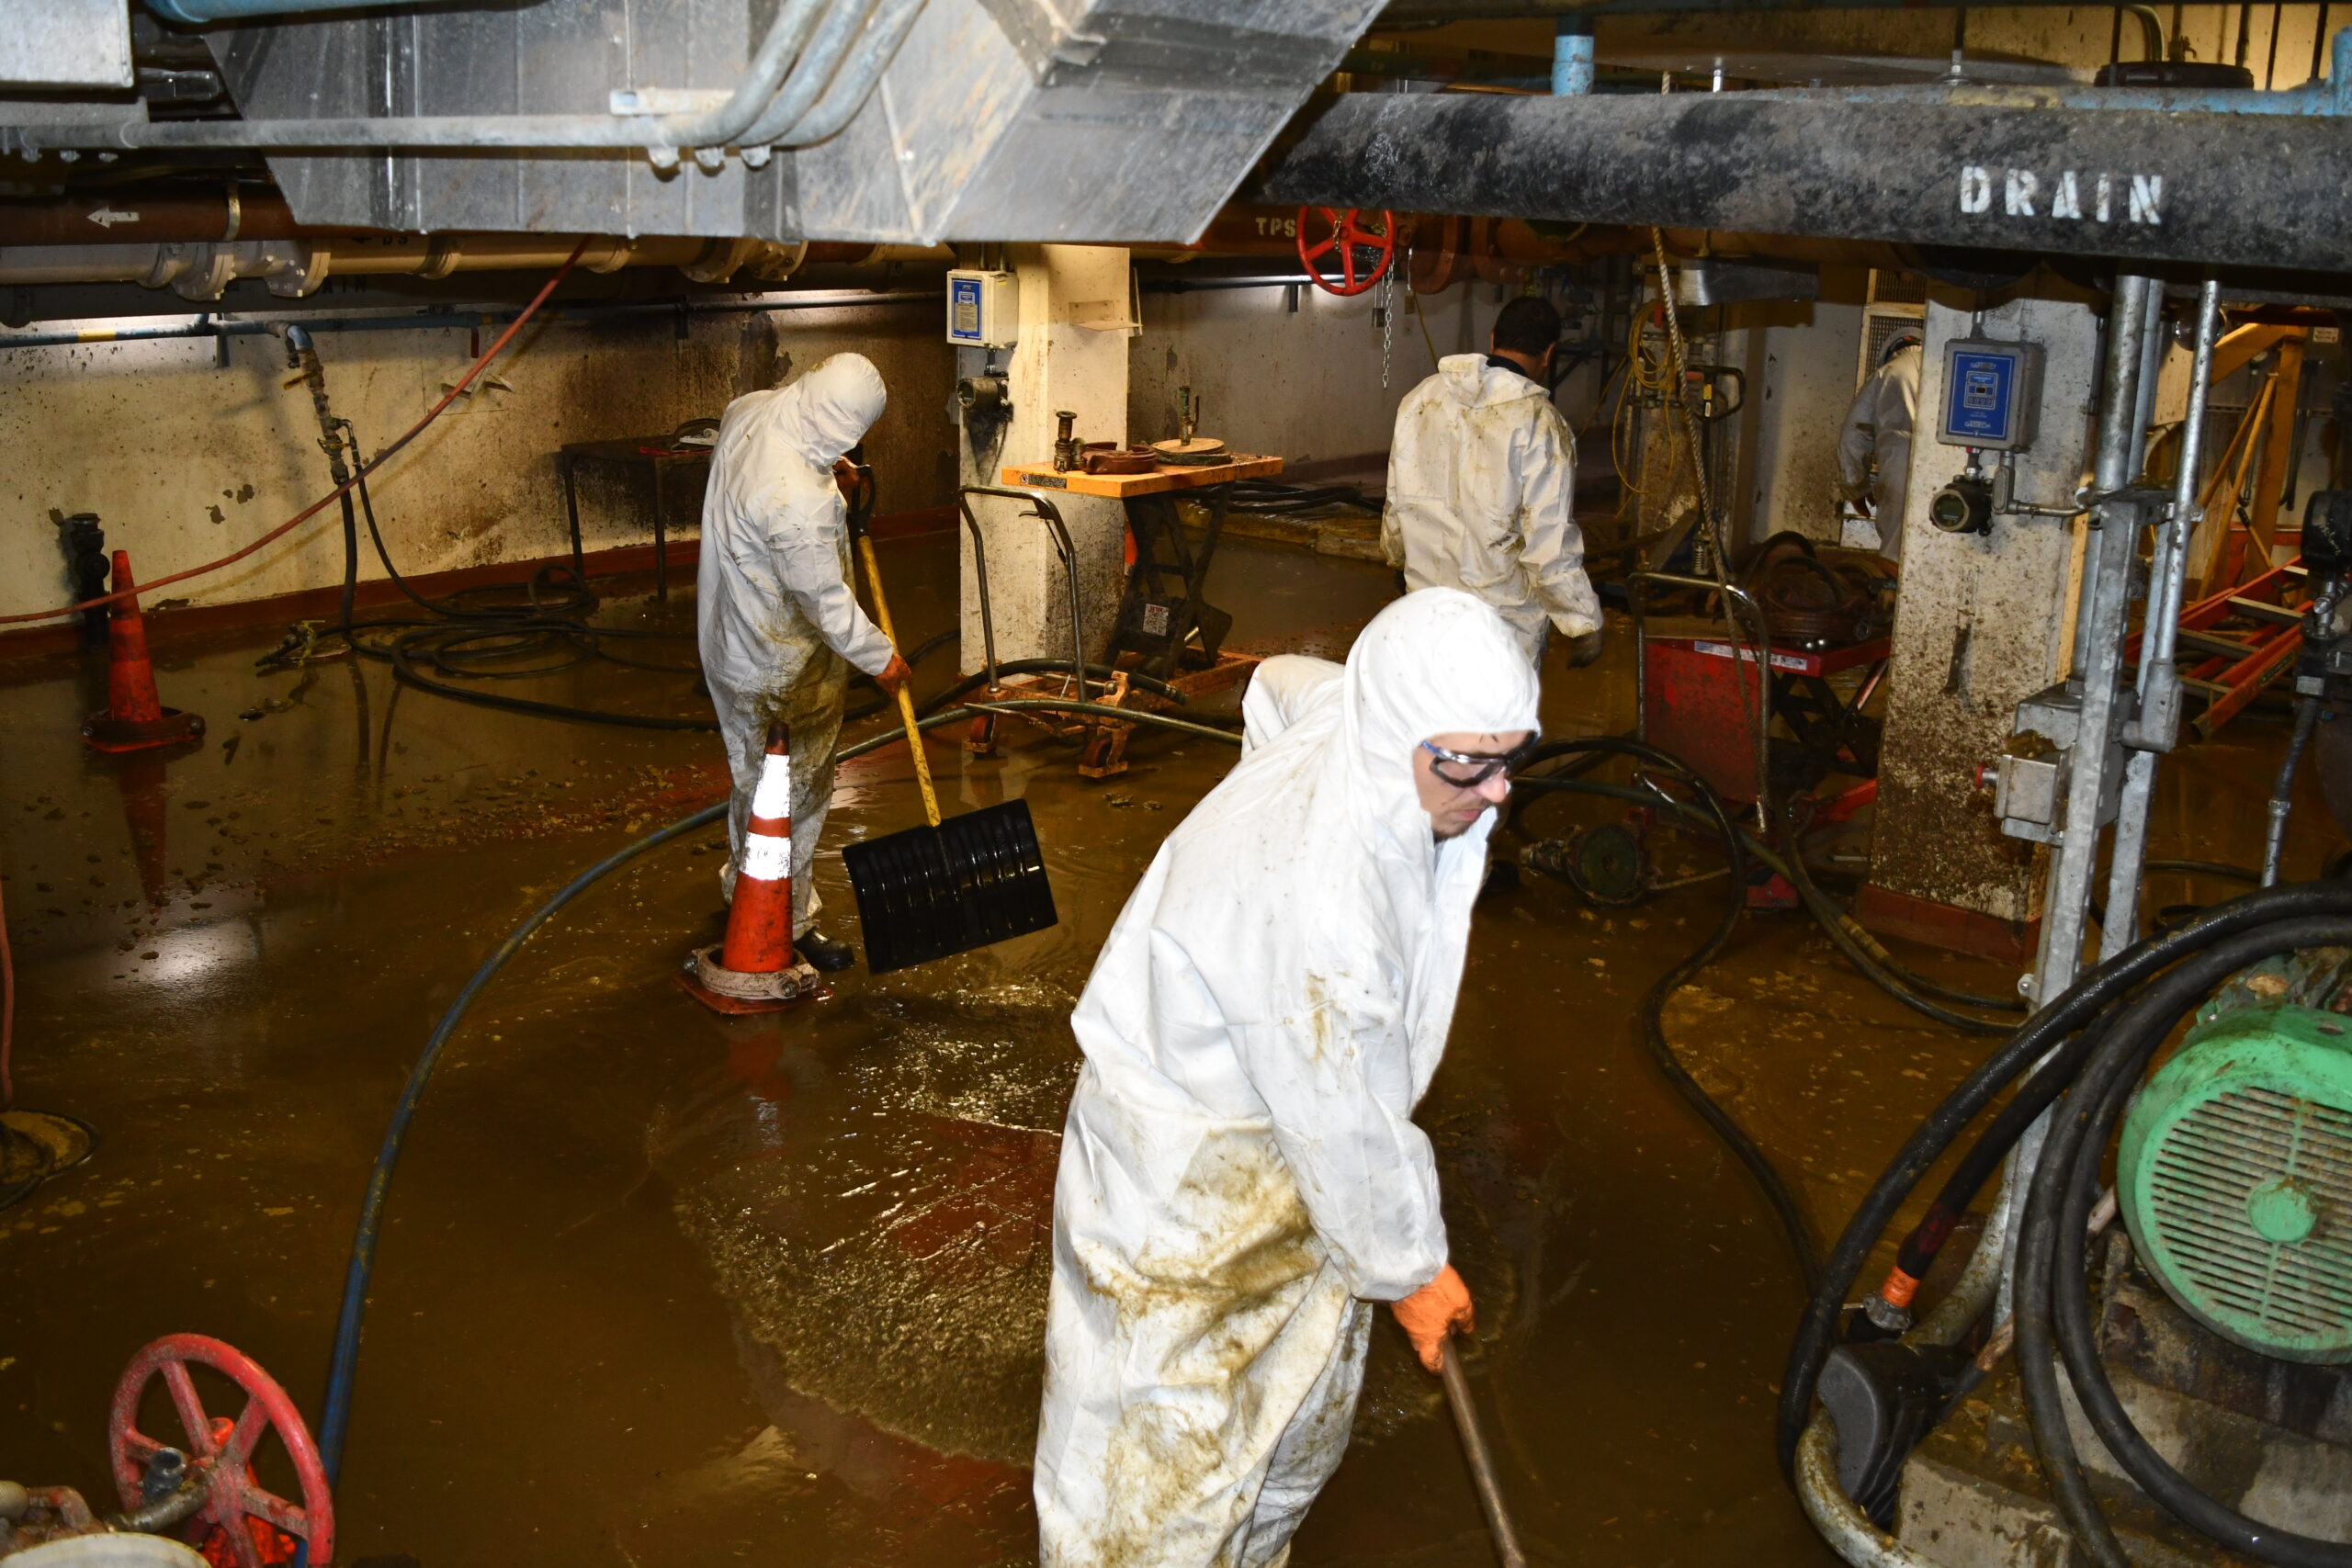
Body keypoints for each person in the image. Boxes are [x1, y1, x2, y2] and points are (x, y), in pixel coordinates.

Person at [1034, 588, 1539, 1568]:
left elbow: (1275, 690)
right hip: (1187, 1183)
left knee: (1287, 1430)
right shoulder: (1321, 912)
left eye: (1509, 759)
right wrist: (1411, 1271)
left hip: (1290, 1154)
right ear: (1402, 735)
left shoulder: (1354, 721)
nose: (1495, 793)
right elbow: (1342, 1119)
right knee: (1155, 1479)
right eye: (1468, 765)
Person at [697, 352, 912, 973]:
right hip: (780, 670)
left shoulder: (752, 410)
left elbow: (785, 495)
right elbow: (824, 602)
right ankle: (782, 921)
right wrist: (883, 660)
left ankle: (742, 884)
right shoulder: (799, 501)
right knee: (795, 794)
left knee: (752, 786)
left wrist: (832, 477)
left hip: (729, 638)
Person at [1383, 294, 1602, 671]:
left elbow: (1396, 499)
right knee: (1494, 727)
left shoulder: (1421, 398)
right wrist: (1581, 620)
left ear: (1492, 339)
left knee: (1427, 717)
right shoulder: (1538, 421)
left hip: (1426, 610)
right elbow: (1547, 539)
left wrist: (1396, 556)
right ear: (1548, 353)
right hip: (1500, 624)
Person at [1838, 333, 1923, 563]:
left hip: (1899, 465)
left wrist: (1856, 487)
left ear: (1892, 351)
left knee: (1894, 552)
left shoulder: (1887, 372)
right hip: (1945, 467)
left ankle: (1890, 596)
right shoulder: (1943, 366)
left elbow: (1854, 434)